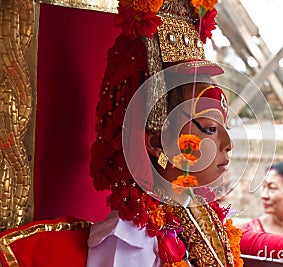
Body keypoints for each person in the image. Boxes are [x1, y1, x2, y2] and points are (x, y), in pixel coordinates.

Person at [0, 0, 243, 267]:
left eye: (224, 129)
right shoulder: (130, 241)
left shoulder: (203, 218)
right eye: (210, 129)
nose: (227, 144)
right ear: (156, 143)